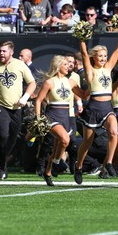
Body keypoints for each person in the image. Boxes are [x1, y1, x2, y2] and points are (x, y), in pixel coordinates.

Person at [75, 28, 118, 184]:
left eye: (105, 56)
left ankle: (109, 162)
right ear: (94, 57)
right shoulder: (90, 71)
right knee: (87, 142)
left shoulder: (108, 68)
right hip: (93, 108)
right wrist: (82, 38)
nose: (104, 58)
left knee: (113, 132)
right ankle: (78, 166)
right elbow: (84, 55)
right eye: (100, 56)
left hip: (106, 107)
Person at [0, 40, 36, 180]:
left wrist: (25, 97)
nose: (1, 53)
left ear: (11, 52)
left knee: (13, 137)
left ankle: (2, 161)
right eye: (0, 51)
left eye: (4, 51)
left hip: (17, 107)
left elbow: (32, 83)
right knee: (3, 135)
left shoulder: (19, 64)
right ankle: (0, 167)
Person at [35, 55, 84, 186]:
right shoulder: (49, 82)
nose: (68, 66)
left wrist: (93, 85)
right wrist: (39, 118)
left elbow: (84, 95)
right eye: (65, 64)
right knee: (65, 139)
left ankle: (49, 171)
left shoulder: (71, 82)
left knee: (59, 145)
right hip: (52, 115)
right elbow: (39, 100)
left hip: (66, 116)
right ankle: (57, 162)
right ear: (58, 67)